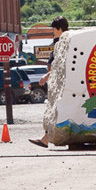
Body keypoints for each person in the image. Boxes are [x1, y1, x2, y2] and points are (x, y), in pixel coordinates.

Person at [29, 16, 69, 148]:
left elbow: (61, 65)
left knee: (55, 110)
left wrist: (47, 75)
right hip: (55, 81)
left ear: (59, 29)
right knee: (53, 110)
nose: (52, 31)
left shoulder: (64, 42)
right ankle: (46, 138)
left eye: (54, 28)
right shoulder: (59, 41)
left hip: (58, 81)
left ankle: (46, 138)